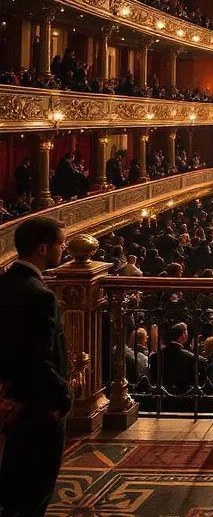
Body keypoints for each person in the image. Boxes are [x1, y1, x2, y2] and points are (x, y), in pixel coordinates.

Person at [0, 216, 72, 517]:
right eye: (60, 244)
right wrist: (63, 397)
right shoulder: (40, 296)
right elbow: (38, 357)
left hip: (9, 399)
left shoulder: (3, 283)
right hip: (38, 405)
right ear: (43, 248)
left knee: (13, 483)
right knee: (36, 489)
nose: (64, 248)